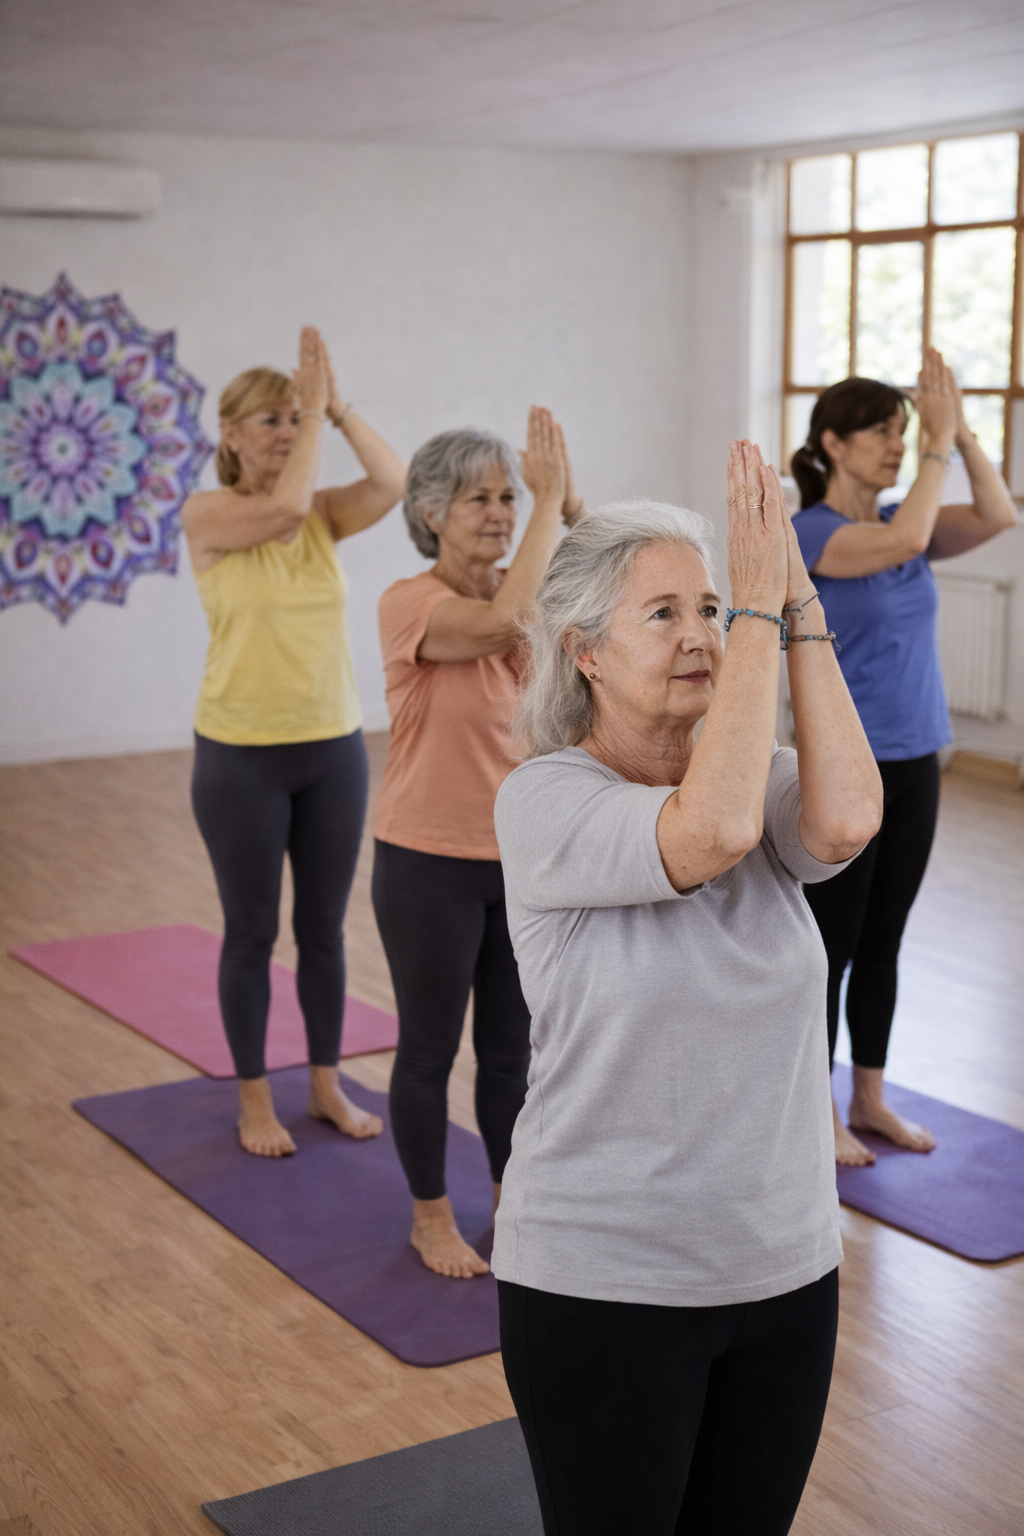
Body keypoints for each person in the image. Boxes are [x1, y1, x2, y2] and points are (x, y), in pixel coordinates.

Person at [491, 445, 883, 1536]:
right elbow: (703, 835)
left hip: (783, 1266)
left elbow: (849, 819)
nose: (705, 633)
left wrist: (793, 602)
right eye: (662, 614)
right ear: (587, 656)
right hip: (602, 1281)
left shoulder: (755, 783)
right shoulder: (544, 800)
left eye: (709, 606)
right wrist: (757, 606)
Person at [371, 408, 586, 1278]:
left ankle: (511, 1196)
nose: (499, 512)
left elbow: (586, 581)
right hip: (426, 859)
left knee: (511, 1052)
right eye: (479, 499)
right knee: (428, 1048)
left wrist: (568, 504)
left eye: (507, 495)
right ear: (431, 513)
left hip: (523, 861)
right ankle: (429, 1215)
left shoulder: (531, 591)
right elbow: (499, 624)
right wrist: (544, 505)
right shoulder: (411, 602)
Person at [182, 327, 406, 1157]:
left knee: (324, 930)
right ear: (230, 434)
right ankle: (252, 1097)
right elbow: (275, 509)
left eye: (291, 417)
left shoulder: (323, 514)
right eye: (270, 420)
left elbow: (395, 480)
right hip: (240, 755)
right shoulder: (208, 514)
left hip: (332, 749)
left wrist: (336, 407)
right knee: (251, 933)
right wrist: (312, 410)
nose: (286, 431)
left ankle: (322, 1084)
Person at [791, 348, 1017, 1166]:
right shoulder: (811, 533)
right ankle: (813, 1106)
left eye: (902, 430)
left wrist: (956, 434)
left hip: (918, 758)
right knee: (833, 941)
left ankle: (871, 1097)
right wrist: (934, 445)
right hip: (844, 765)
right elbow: (911, 532)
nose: (896, 444)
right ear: (832, 443)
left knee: (886, 935)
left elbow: (997, 515)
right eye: (880, 432)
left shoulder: (901, 524)